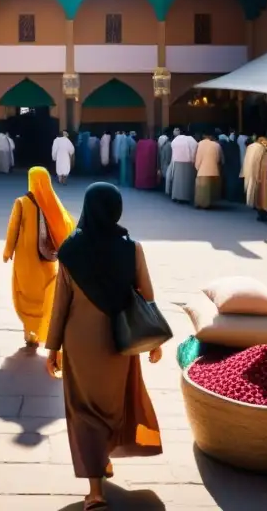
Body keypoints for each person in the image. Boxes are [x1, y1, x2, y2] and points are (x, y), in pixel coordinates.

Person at [45, 183, 163, 510]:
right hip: (120, 339)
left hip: (80, 342)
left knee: (83, 409)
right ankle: (103, 457)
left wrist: (52, 347)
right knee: (114, 404)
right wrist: (154, 341)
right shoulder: (132, 248)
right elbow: (147, 295)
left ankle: (95, 491)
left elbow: (60, 305)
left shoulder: (70, 249)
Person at [3, 167, 75, 348]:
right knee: (45, 296)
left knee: (26, 294)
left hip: (26, 259)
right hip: (47, 260)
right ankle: (45, 329)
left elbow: (13, 229)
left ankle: (30, 332)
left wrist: (7, 251)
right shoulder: (51, 202)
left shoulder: (21, 202)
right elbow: (66, 224)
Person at [194, 134, 223, 209]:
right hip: (214, 170)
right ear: (211, 136)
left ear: (203, 136)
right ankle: (210, 203)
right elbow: (219, 158)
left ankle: (201, 204)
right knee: (211, 189)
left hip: (202, 170)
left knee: (202, 189)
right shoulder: (217, 145)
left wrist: (197, 167)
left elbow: (198, 157)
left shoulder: (200, 144)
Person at [169, 129, 197, 204]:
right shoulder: (191, 140)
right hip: (189, 163)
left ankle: (176, 196)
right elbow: (195, 149)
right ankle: (187, 197)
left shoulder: (176, 140)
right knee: (188, 181)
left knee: (177, 181)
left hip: (177, 162)